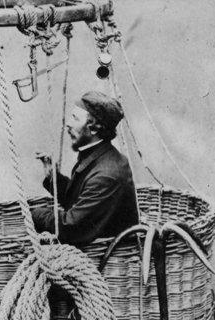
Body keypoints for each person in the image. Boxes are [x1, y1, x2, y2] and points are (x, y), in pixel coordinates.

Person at [31, 91, 139, 245]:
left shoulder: (107, 174)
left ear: (94, 128)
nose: (67, 123)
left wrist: (34, 214)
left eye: (75, 118)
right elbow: (79, 200)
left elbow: (71, 229)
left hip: (112, 260)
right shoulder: (98, 156)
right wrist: (52, 177)